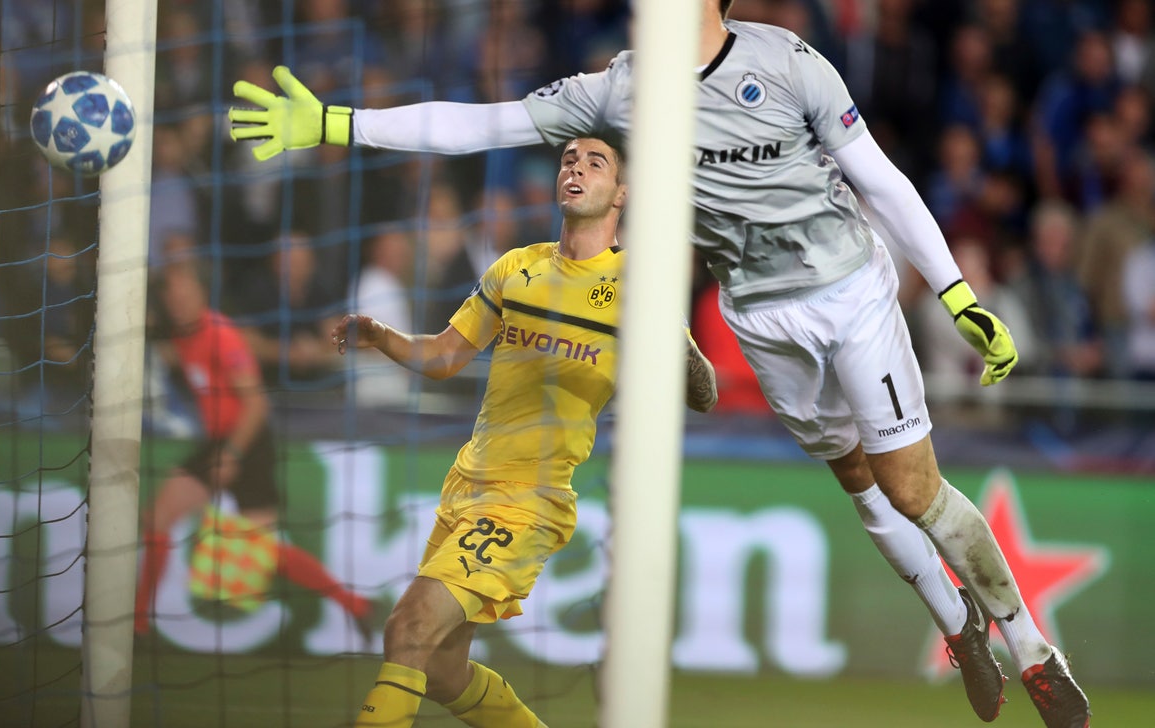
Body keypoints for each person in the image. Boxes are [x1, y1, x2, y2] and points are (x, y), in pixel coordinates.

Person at [227, 3, 1090, 726]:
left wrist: (954, 291)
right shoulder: (623, 87)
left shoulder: (789, 64)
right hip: (757, 314)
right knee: (858, 479)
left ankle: (1036, 654)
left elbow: (882, 178)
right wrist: (339, 123)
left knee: (910, 486)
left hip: (850, 292)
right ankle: (958, 625)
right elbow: (479, 126)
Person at [331, 137, 718, 727]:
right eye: (569, 159)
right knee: (438, 670)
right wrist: (382, 336)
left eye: (596, 163)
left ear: (621, 192)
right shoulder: (517, 267)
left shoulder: (639, 282)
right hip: (467, 484)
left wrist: (665, 326)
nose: (576, 169)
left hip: (530, 500)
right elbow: (444, 357)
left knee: (408, 628)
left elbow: (704, 394)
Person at [133, 258, 372, 639]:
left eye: (185, 292)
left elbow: (257, 403)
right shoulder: (176, 333)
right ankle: (137, 622)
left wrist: (231, 455)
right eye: (171, 294)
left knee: (264, 551)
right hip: (216, 442)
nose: (178, 301)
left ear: (201, 294)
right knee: (157, 520)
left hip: (247, 443)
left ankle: (354, 603)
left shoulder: (220, 334)